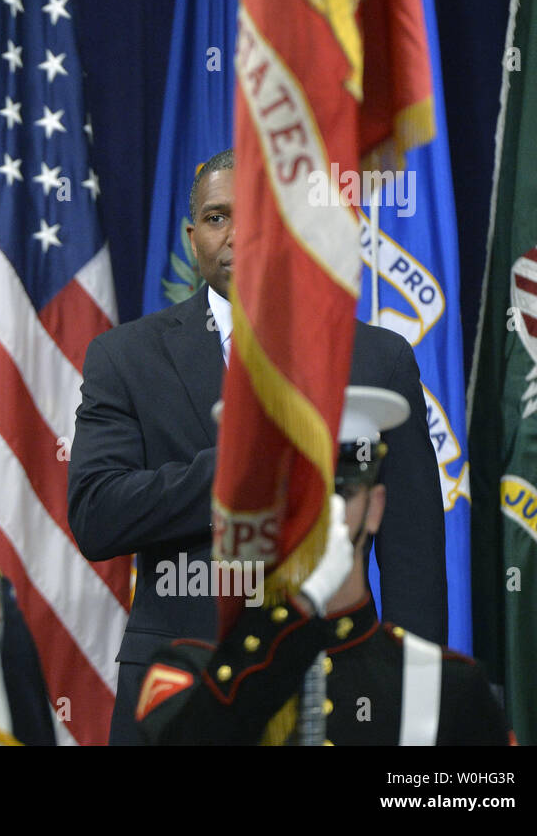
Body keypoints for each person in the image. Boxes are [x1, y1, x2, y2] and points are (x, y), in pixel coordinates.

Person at [67, 148, 447, 745]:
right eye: (217, 218)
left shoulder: (376, 358)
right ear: (194, 238)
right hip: (180, 693)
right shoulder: (125, 358)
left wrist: (414, 689)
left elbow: (414, 553)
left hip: (341, 682)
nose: (238, 234)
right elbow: (97, 514)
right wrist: (244, 465)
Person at [135, 387, 511, 746]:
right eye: (291, 494)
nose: (312, 518)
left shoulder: (448, 687)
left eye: (338, 493)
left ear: (375, 509)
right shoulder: (193, 675)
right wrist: (302, 604)